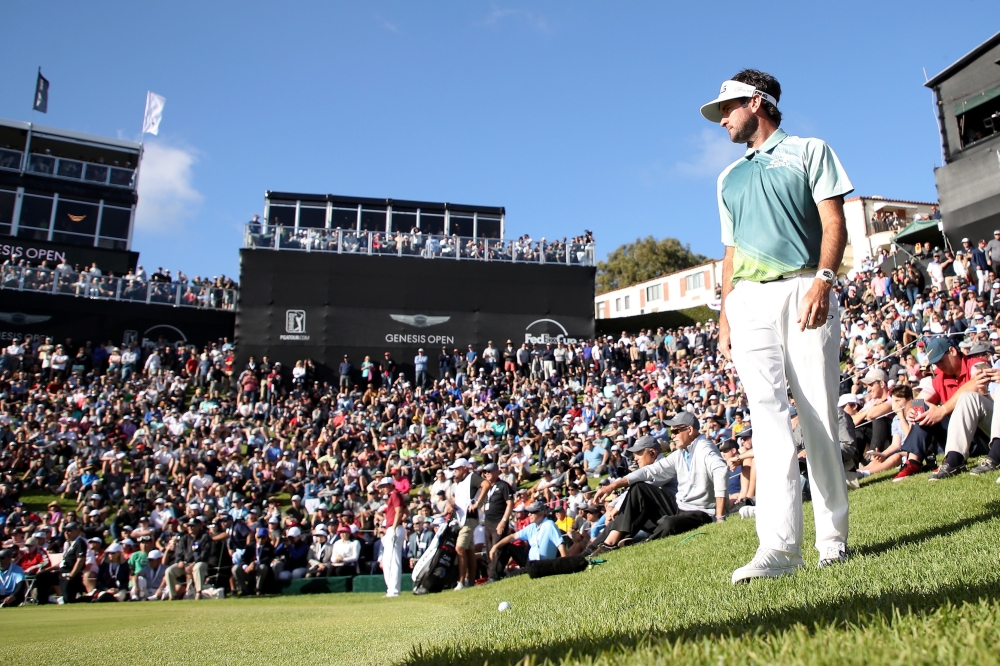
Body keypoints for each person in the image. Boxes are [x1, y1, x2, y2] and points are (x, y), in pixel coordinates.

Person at [703, 68, 853, 583]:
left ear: (757, 103)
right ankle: (779, 551)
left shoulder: (810, 150)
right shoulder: (727, 178)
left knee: (817, 420)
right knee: (766, 424)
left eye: (728, 109)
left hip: (806, 287)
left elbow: (835, 221)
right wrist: (725, 314)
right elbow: (729, 252)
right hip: (748, 303)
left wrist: (825, 281)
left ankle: (833, 540)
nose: (721, 120)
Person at [593, 413, 727, 553]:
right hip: (680, 506)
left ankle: (644, 544)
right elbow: (649, 471)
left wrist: (719, 517)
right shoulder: (680, 453)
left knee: (669, 523)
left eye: (675, 431)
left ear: (690, 430)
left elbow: (721, 471)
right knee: (639, 488)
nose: (672, 435)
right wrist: (613, 485)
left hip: (702, 512)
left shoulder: (705, 448)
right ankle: (610, 543)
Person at [488, 502, 566, 576]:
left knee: (514, 575)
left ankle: (511, 572)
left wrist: (564, 566)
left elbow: (560, 545)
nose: (529, 514)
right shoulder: (531, 527)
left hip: (544, 564)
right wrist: (495, 546)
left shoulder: (549, 525)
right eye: (529, 512)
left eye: (532, 512)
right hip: (530, 562)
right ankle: (496, 575)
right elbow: (512, 537)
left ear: (542, 513)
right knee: (507, 546)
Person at [447, 457, 485, 590]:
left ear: (464, 468)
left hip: (469, 518)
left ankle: (462, 581)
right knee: (469, 550)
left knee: (460, 548)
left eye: (457, 469)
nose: (455, 472)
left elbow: (485, 484)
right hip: (462, 519)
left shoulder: (472, 477)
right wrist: (449, 505)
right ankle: (471, 581)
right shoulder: (459, 483)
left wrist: (478, 504)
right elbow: (457, 502)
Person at [480, 463, 515, 583]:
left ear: (496, 472)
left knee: (496, 548)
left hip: (498, 521)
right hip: (488, 522)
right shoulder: (487, 487)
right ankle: (492, 573)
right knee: (489, 548)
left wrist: (504, 521)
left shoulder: (503, 486)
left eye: (489, 471)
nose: (487, 474)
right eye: (485, 472)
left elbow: (510, 504)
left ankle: (494, 575)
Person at [377, 476, 407, 598]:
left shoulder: (394, 494)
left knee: (393, 561)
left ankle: (394, 590)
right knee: (388, 560)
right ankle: (391, 589)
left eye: (384, 486)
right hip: (392, 528)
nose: (382, 489)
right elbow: (406, 513)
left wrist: (394, 527)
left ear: (390, 485)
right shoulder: (394, 495)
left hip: (394, 529)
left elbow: (400, 511)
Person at [59, 522, 88, 603]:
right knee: (43, 577)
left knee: (68, 600)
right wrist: (46, 570)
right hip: (62, 572)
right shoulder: (68, 544)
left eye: (69, 530)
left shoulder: (79, 542)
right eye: (65, 531)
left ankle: (87, 599)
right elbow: (63, 561)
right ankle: (43, 601)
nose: (66, 533)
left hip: (70, 574)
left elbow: (80, 560)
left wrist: (71, 576)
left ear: (77, 531)